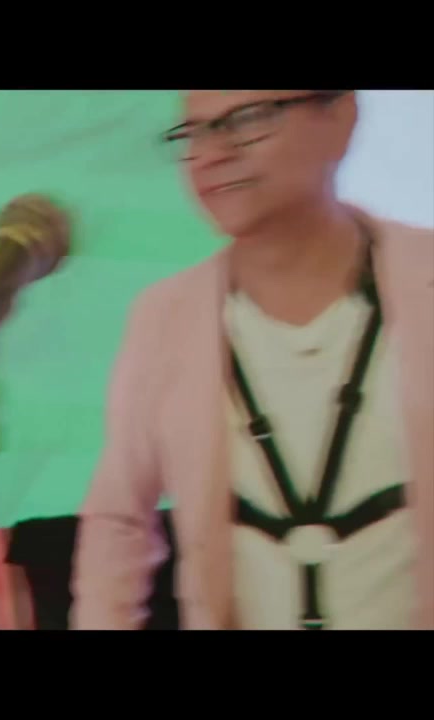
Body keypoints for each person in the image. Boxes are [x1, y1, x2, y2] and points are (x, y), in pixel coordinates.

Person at [72, 90, 433, 630]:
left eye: (248, 120)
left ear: (341, 116)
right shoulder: (164, 317)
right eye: (195, 133)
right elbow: (118, 522)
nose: (212, 154)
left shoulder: (421, 276)